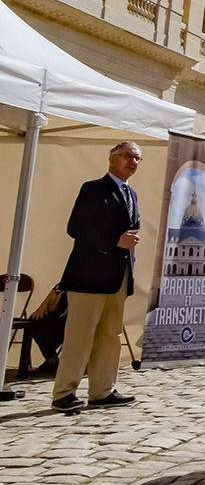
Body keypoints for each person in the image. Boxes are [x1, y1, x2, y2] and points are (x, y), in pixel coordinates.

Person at [50, 141, 143, 414]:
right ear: (112, 159)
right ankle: (64, 393)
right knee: (79, 336)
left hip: (119, 276)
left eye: (138, 158)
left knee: (109, 335)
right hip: (89, 275)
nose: (133, 162)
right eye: (128, 156)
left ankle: (102, 391)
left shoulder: (131, 193)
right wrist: (115, 241)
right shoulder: (93, 189)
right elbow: (76, 227)